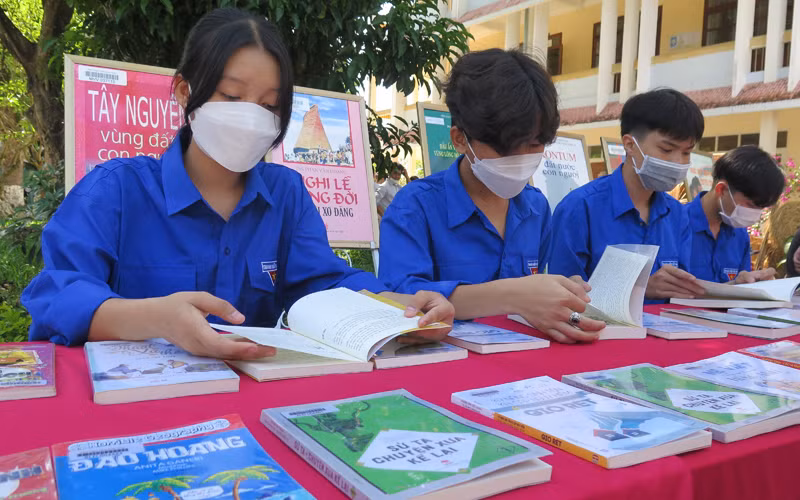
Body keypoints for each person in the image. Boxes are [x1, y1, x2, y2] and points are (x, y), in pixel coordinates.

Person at [21, 8, 454, 361]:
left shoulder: (285, 193)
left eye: (269, 105)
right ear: (184, 92)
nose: (251, 118)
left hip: (254, 407)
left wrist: (396, 306)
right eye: (232, 97)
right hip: (136, 410)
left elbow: (322, 282)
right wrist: (156, 318)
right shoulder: (115, 190)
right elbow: (58, 297)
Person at [379, 49, 604, 344]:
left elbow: (532, 302)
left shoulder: (536, 208)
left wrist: (560, 293)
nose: (520, 159)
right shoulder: (415, 207)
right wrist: (516, 296)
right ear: (460, 139)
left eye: (534, 145)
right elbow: (402, 302)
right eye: (505, 149)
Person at [547, 88, 706, 303]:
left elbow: (681, 293)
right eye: (667, 150)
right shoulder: (580, 209)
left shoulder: (677, 215)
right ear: (630, 145)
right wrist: (640, 288)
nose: (678, 162)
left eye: (686, 152)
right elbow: (562, 297)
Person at [687, 146, 783, 283]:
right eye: (751, 205)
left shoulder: (739, 235)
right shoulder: (675, 224)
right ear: (722, 189)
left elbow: (740, 287)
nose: (755, 214)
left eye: (761, 208)